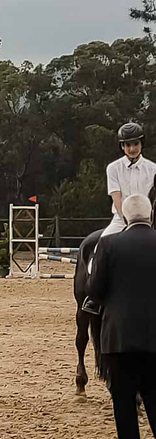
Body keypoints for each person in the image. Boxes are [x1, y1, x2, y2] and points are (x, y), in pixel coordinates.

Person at [86, 193, 156, 439]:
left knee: (124, 402)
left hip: (120, 337)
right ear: (150, 216)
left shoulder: (109, 243)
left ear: (125, 218)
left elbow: (95, 289)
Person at [83, 122, 156, 314]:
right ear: (122, 147)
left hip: (149, 220)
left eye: (135, 144)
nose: (132, 149)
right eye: (128, 145)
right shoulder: (113, 168)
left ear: (141, 144)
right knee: (98, 250)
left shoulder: (153, 168)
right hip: (120, 219)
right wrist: (127, 222)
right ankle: (94, 298)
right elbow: (116, 198)